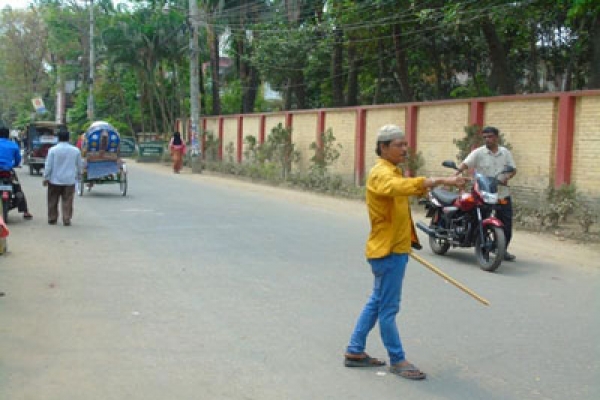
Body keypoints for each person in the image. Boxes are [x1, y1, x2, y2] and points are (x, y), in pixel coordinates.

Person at [344, 125, 468, 381]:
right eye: (399, 145)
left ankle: (355, 351)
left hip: (393, 249)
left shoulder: (393, 171)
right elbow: (398, 188)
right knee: (388, 308)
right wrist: (442, 180)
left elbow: (406, 188)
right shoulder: (381, 174)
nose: (404, 149)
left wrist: (431, 187)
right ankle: (397, 359)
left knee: (377, 302)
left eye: (405, 144)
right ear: (383, 147)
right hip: (387, 251)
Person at [454, 126, 517, 261]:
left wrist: (507, 177)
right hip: (482, 193)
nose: (487, 139)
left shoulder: (505, 153)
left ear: (496, 137)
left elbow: (513, 169)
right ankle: (480, 244)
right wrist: (454, 175)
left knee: (506, 224)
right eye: (485, 137)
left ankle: (502, 250)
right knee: (477, 219)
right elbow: (464, 164)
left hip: (501, 193)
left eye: (490, 137)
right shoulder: (478, 153)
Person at [43, 130, 82, 226]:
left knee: (52, 200)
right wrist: (79, 175)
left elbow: (48, 165)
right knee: (68, 200)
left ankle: (52, 218)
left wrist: (46, 177)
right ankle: (66, 218)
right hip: (69, 180)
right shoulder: (75, 150)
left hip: (54, 180)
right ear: (69, 138)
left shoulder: (52, 150)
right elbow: (79, 165)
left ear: (58, 138)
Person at [0, 127, 33, 219]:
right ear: (8, 135)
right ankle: (25, 211)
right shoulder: (13, 145)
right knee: (17, 188)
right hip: (7, 170)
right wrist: (13, 164)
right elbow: (18, 160)